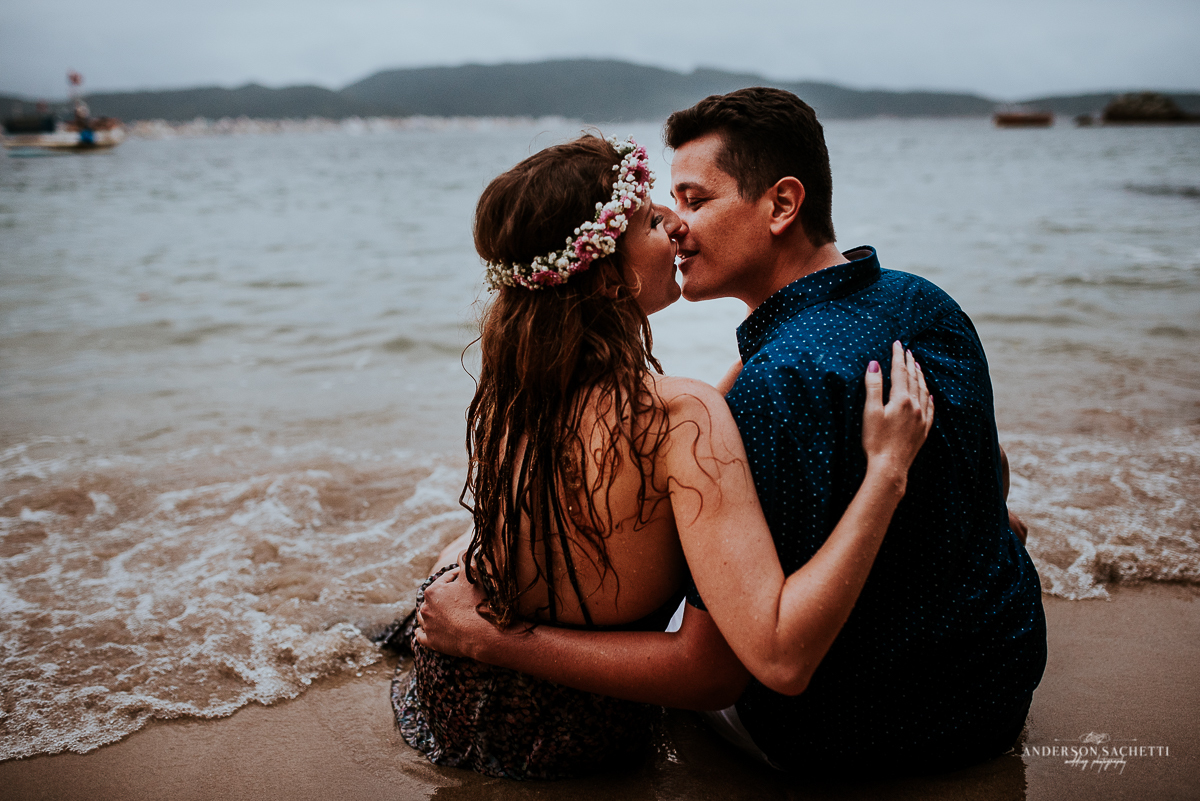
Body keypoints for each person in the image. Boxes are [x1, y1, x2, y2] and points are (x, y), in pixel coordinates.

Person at [417, 89, 1048, 776]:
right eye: (663, 212)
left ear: (781, 205)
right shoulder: (925, 303)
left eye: (693, 200)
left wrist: (493, 638)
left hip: (853, 736)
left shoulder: (530, 403)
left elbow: (744, 659)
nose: (678, 225)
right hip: (1001, 684)